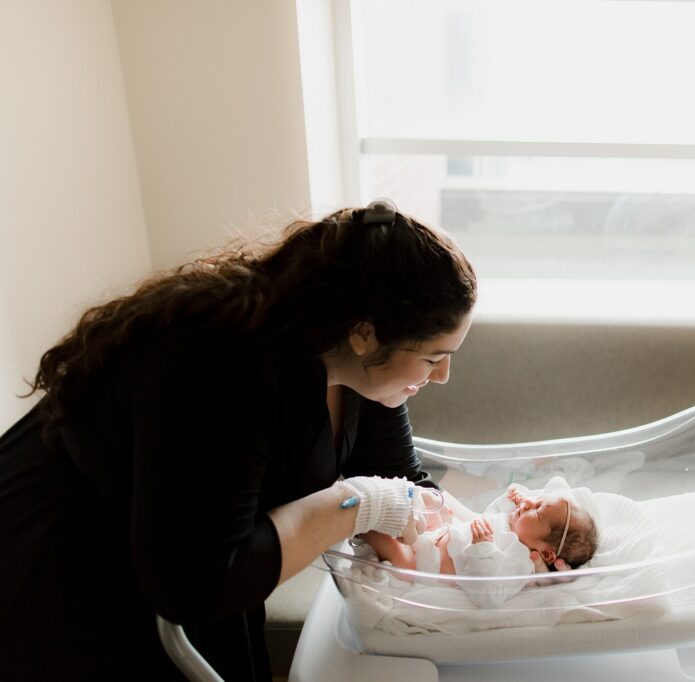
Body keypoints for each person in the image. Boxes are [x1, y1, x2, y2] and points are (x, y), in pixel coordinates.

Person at [0, 200, 476, 681]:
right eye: (435, 356)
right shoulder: (220, 365)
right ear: (364, 334)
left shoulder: (361, 368)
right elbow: (198, 584)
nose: (443, 376)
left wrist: (486, 539)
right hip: (68, 559)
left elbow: (400, 482)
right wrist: (362, 504)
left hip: (197, 553)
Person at [362, 482, 598, 608]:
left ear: (546, 552)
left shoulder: (521, 562)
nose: (527, 504)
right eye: (535, 501)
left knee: (391, 547)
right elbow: (489, 514)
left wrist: (484, 549)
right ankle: (383, 501)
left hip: (425, 566)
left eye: (536, 512)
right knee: (428, 499)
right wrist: (511, 499)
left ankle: (362, 522)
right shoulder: (512, 522)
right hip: (437, 535)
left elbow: (489, 597)